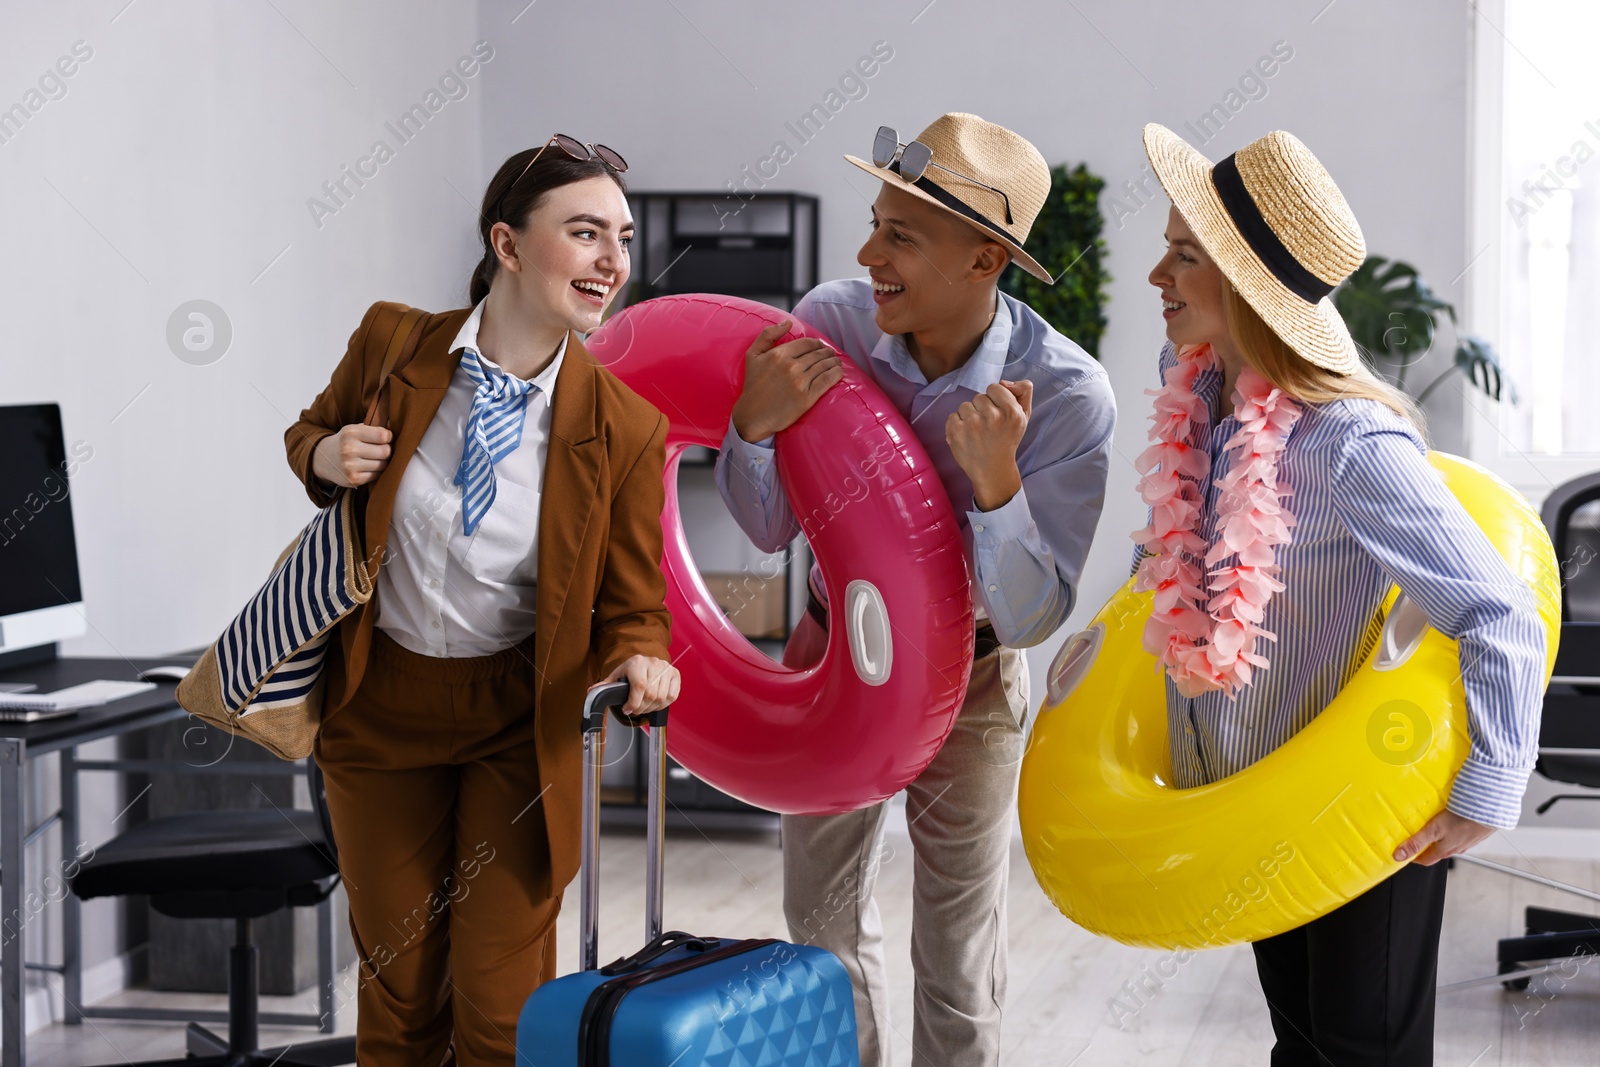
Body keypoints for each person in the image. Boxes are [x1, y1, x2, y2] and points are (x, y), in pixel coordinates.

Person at [1134, 122, 1546, 1065]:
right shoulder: (1197, 403)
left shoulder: (1349, 442)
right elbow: (1179, 570)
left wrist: (1488, 788)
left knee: (1365, 1055)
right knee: (1303, 1046)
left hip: (1363, 803)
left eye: (1181, 253)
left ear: (1245, 284)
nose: (1158, 274)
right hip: (1261, 793)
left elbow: (1499, 612)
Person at [715, 112, 1117, 1066]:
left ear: (986, 259)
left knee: (959, 952)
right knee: (818, 929)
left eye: (901, 234)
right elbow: (770, 525)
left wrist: (998, 488)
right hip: (831, 654)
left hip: (972, 679)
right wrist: (753, 426)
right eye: (875, 221)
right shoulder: (829, 324)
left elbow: (1029, 617)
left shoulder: (1064, 395)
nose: (867, 252)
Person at [283, 135, 680, 1067]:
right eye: (585, 233)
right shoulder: (393, 344)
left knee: (503, 1010)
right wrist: (323, 455)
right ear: (506, 244)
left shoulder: (625, 426)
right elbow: (309, 433)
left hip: (517, 724)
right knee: (402, 993)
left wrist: (639, 652)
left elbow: (635, 600)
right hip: (379, 712)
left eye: (622, 237)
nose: (613, 261)